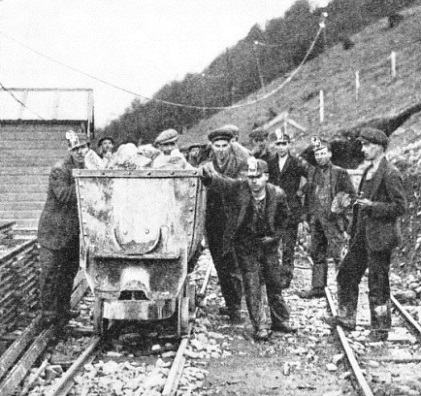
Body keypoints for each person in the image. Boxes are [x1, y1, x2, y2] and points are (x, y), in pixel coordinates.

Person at [325, 128, 406, 341]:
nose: (363, 149)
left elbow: (399, 207)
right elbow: (361, 203)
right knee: (347, 273)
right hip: (362, 234)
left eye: (366, 145)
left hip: (380, 237)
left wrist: (373, 206)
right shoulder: (369, 170)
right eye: (362, 145)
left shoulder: (390, 173)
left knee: (378, 284)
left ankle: (380, 329)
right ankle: (346, 317)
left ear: (379, 146)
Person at [202, 158, 292, 340]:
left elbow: (285, 220)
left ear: (266, 177)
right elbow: (224, 184)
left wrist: (275, 237)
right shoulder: (241, 188)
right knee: (252, 285)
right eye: (251, 177)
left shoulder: (278, 194)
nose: (254, 181)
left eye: (257, 177)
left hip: (268, 245)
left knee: (274, 283)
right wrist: (207, 177)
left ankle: (280, 321)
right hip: (246, 245)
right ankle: (260, 326)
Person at [38, 130, 89, 333]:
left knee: (68, 273)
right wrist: (86, 182)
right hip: (53, 232)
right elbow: (64, 195)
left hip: (71, 233)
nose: (80, 152)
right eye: (76, 149)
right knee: (50, 273)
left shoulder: (86, 166)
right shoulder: (60, 170)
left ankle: (63, 310)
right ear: (70, 150)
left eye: (83, 148)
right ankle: (49, 315)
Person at [299, 138, 355, 299]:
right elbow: (308, 196)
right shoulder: (313, 173)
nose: (320, 157)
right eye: (317, 154)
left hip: (334, 220)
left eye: (323, 153)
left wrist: (340, 207)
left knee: (339, 255)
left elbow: (351, 195)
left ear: (329, 154)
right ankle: (318, 287)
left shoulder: (339, 172)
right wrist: (305, 217)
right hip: (317, 220)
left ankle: (344, 289)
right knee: (317, 253)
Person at [203, 126, 248, 324]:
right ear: (211, 146)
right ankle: (231, 304)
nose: (221, 149)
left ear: (231, 145)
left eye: (224, 145)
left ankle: (236, 308)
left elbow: (238, 186)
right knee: (220, 266)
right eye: (217, 145)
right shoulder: (207, 164)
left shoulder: (241, 163)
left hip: (235, 221)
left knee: (234, 265)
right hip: (213, 222)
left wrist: (213, 178)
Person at [266, 129, 309, 289]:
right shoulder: (270, 162)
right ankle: (273, 274)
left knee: (288, 245)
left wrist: (301, 191)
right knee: (272, 242)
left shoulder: (296, 162)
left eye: (284, 144)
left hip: (291, 208)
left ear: (289, 145)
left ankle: (286, 276)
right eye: (278, 144)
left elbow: (311, 177)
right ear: (274, 146)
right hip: (273, 209)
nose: (281, 147)